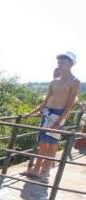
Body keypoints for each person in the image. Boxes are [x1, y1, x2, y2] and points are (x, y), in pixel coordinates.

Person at [22, 52, 80, 183]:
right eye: (59, 62)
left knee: (51, 145)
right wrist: (30, 113)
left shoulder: (74, 82)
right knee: (43, 144)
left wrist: (58, 123)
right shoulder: (54, 81)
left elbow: (69, 105)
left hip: (58, 115)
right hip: (47, 113)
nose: (60, 64)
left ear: (71, 64)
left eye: (63, 62)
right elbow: (45, 102)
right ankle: (36, 170)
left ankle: (44, 173)